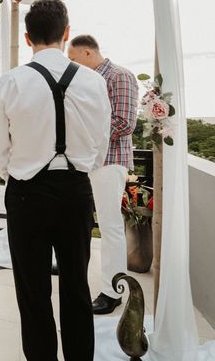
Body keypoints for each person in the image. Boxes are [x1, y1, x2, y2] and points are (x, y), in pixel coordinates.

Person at [0, 0, 111, 361]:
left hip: (27, 193)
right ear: (66, 33)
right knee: (76, 286)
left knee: (32, 291)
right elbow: (101, 147)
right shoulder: (93, 81)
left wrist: (25, 172)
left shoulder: (10, 81)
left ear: (27, 38)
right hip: (75, 191)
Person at [68, 34, 139, 315]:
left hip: (110, 161)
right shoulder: (88, 79)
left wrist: (82, 127)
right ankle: (71, 264)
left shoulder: (119, 76)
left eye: (73, 59)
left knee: (109, 226)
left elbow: (124, 123)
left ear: (87, 53)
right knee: (77, 217)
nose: (72, 65)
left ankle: (113, 291)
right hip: (86, 161)